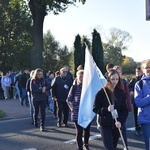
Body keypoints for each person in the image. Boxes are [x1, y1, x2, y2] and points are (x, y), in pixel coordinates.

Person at [93, 69, 128, 150]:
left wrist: (120, 121)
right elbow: (95, 108)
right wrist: (106, 109)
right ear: (108, 79)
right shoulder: (102, 92)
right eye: (112, 79)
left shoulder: (121, 92)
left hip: (116, 124)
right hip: (105, 125)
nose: (115, 81)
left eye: (117, 79)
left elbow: (124, 110)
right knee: (109, 147)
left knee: (114, 146)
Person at [67, 70, 90, 150]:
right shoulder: (74, 87)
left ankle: (86, 145)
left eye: (84, 76)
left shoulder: (89, 87)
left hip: (87, 112)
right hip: (77, 112)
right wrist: (71, 107)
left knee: (87, 131)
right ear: (77, 77)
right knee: (79, 132)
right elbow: (69, 99)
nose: (82, 78)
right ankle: (79, 147)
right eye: (80, 76)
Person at [113, 65, 131, 149]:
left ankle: (125, 146)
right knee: (113, 129)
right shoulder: (110, 83)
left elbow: (127, 95)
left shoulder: (124, 83)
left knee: (122, 127)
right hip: (112, 109)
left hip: (121, 109)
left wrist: (129, 106)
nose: (118, 74)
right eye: (116, 72)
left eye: (119, 72)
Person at [134, 59, 150, 150]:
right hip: (146, 120)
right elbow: (138, 102)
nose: (148, 69)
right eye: (146, 67)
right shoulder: (139, 84)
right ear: (142, 70)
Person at [128, 67, 143, 136]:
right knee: (136, 115)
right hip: (136, 101)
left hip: (144, 100)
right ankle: (137, 129)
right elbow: (129, 86)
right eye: (137, 71)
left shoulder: (145, 79)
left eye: (139, 71)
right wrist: (131, 91)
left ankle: (143, 128)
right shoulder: (133, 80)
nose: (138, 73)